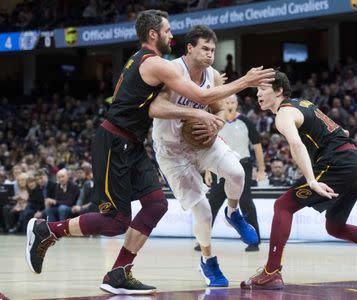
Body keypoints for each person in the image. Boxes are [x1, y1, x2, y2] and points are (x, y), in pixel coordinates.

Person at [26, 9, 274, 295]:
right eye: (168, 31)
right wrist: (245, 81)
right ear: (154, 34)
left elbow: (209, 99)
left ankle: (118, 273)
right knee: (116, 220)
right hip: (114, 141)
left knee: (156, 205)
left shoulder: (152, 62)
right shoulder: (158, 64)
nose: (172, 36)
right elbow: (200, 98)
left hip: (132, 144)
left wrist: (212, 113)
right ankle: (48, 230)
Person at [241, 71, 357, 290]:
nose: (258, 94)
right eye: (256, 90)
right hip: (356, 162)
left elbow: (296, 145)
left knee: (283, 205)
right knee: (335, 226)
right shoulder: (303, 103)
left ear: (279, 91)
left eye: (263, 89)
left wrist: (312, 180)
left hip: (339, 163)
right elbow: (342, 130)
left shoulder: (283, 114)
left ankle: (271, 272)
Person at [151, 25, 259, 287]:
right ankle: (208, 261)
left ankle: (233, 213)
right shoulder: (173, 70)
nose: (211, 54)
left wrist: (216, 124)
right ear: (190, 48)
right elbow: (156, 107)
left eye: (213, 50)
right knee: (202, 210)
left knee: (237, 172)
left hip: (203, 141)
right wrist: (196, 114)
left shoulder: (213, 75)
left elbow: (220, 110)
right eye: (205, 49)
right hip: (172, 150)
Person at [200, 94, 265, 252]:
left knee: (245, 201)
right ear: (223, 103)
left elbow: (257, 146)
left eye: (232, 102)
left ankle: (254, 240)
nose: (230, 104)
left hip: (242, 165)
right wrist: (208, 171)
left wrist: (261, 169)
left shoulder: (245, 121)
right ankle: (203, 240)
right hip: (219, 166)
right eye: (227, 101)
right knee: (212, 203)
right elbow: (210, 146)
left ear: (237, 104)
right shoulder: (217, 122)